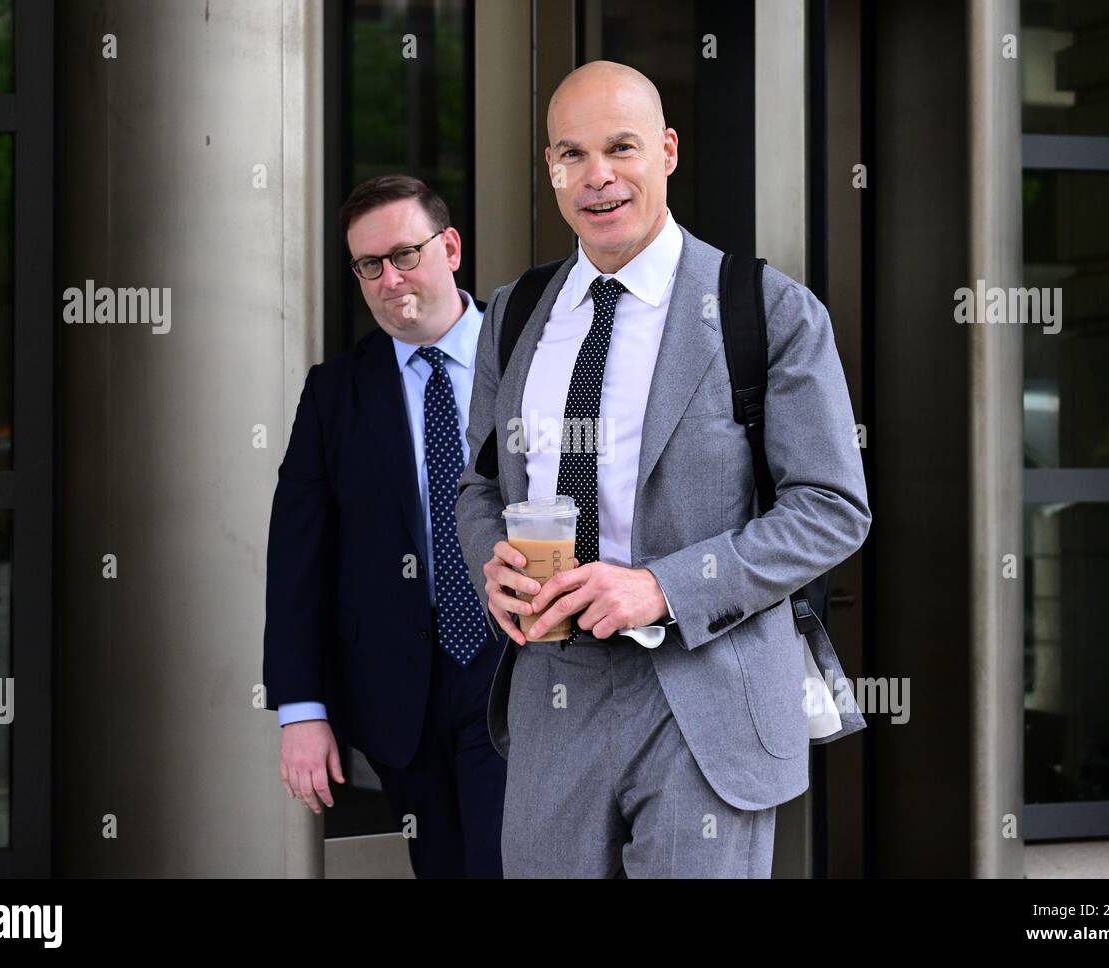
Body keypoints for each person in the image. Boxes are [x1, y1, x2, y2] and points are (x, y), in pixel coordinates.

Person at [455, 61, 871, 877]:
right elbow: (478, 486)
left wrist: (661, 588)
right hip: (554, 691)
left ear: (668, 152)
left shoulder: (768, 309)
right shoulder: (512, 316)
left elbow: (831, 507)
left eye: (622, 148)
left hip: (702, 692)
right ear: (550, 168)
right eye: (572, 154)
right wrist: (490, 566)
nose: (598, 176)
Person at [263, 174, 507, 877]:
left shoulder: (528, 355)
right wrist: (301, 710)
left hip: (522, 668)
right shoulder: (335, 392)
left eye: (405, 253)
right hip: (403, 693)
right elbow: (297, 557)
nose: (389, 278)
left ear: (451, 247)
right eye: (369, 264)